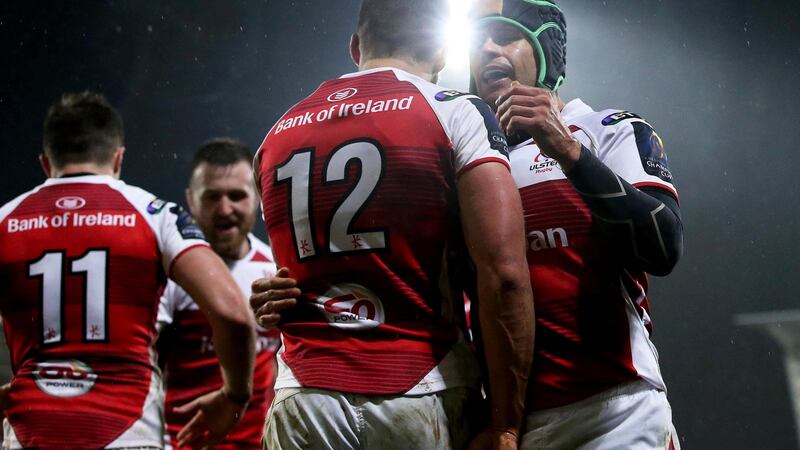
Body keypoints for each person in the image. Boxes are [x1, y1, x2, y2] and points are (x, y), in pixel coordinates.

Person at [251, 0, 535, 448]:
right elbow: (503, 274)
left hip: (303, 396)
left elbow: (291, 275)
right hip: (420, 387)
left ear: (355, 46)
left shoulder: (277, 133)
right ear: (442, 53)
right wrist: (506, 421)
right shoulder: (454, 111)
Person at [468, 1, 684, 448]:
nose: (487, 49)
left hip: (618, 413)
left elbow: (664, 246)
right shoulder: (466, 162)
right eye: (477, 41)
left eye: (505, 35)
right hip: (512, 425)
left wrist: (569, 152)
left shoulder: (608, 129)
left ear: (546, 51)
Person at [0, 92, 256, 450]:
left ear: (46, 163)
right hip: (126, 429)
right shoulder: (155, 214)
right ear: (118, 157)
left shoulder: (6, 220)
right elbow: (234, 314)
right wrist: (235, 395)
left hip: (32, 427)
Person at [157, 138, 280, 449]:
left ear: (257, 197)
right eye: (212, 197)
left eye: (237, 196)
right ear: (190, 199)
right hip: (181, 443)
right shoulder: (170, 277)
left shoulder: (278, 270)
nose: (225, 209)